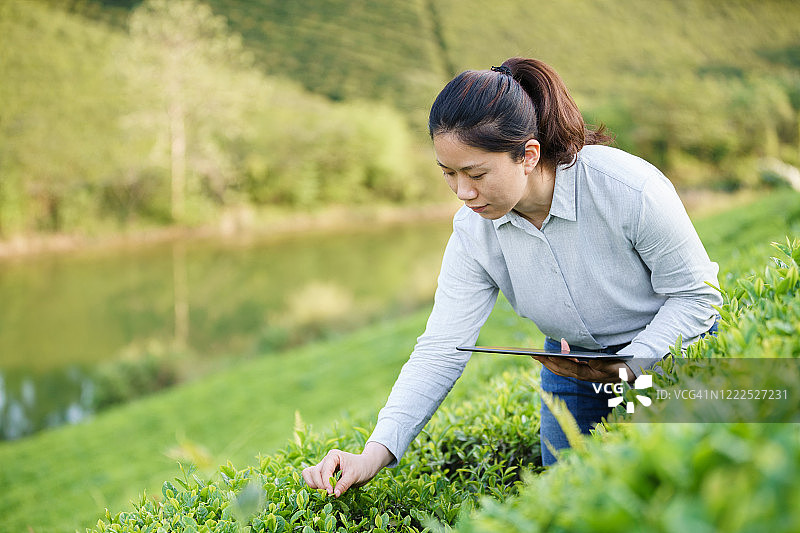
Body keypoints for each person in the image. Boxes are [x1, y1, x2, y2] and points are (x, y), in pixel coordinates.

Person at [301, 57, 721, 497]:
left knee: (676, 490)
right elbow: (442, 348)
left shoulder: (628, 189)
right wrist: (373, 453)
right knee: (570, 501)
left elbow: (697, 297)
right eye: (448, 174)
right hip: (574, 366)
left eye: (476, 174)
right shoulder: (472, 233)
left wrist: (632, 364)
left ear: (528, 155)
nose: (463, 192)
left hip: (671, 344)